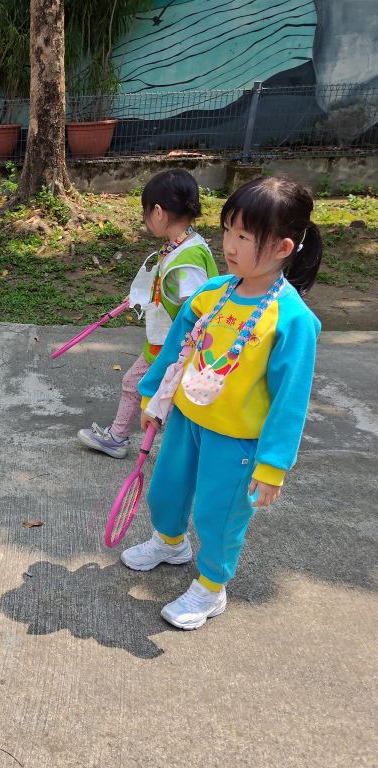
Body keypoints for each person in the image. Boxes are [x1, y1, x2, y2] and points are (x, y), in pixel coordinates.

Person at [126, 176, 322, 630]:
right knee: (166, 490)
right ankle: (170, 543)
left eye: (245, 237)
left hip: (237, 440)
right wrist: (153, 396)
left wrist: (272, 466)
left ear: (283, 248)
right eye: (228, 230)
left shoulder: (292, 319)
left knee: (220, 514)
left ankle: (212, 586)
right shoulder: (212, 292)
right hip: (186, 420)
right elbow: (175, 350)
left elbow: (291, 400)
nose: (229, 245)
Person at [78, 169, 217, 459]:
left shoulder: (187, 258)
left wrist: (184, 353)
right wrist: (143, 296)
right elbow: (169, 289)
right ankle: (134, 440)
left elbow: (196, 307)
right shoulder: (186, 245)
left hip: (174, 347)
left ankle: (121, 439)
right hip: (171, 344)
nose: (144, 219)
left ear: (158, 211)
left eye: (145, 211)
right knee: (154, 391)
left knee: (142, 387)